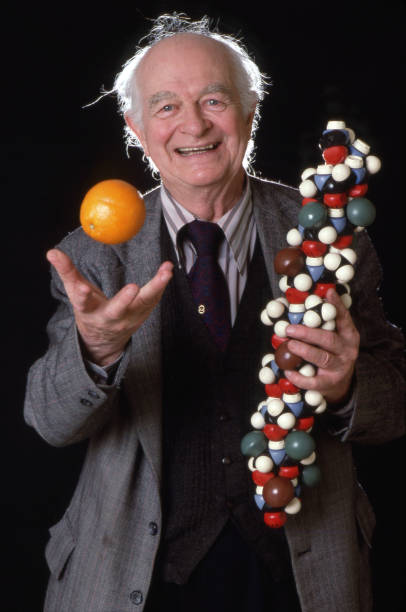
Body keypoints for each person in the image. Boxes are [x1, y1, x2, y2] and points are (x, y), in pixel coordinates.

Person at [24, 14, 405, 612]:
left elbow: (394, 406)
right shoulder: (90, 255)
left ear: (251, 111)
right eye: (166, 105)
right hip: (137, 578)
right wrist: (95, 350)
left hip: (298, 579)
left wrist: (348, 385)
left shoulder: (333, 242)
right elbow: (48, 421)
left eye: (214, 98)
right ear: (136, 127)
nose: (194, 123)